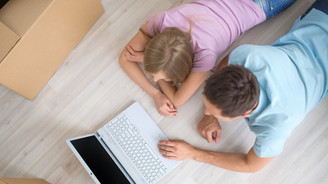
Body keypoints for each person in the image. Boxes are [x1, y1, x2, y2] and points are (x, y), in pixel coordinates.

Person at [157, 0, 328, 173]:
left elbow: (251, 165)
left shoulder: (277, 125)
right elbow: (226, 63)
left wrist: (194, 153)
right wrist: (212, 117)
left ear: (245, 114)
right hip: (320, 18)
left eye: (210, 111)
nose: (206, 111)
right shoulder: (247, 56)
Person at [119, 0, 296, 117]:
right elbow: (125, 58)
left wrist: (155, 86)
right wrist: (155, 85)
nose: (157, 79)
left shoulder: (205, 55)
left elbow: (177, 100)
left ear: (185, 70)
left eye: (163, 78)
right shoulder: (160, 20)